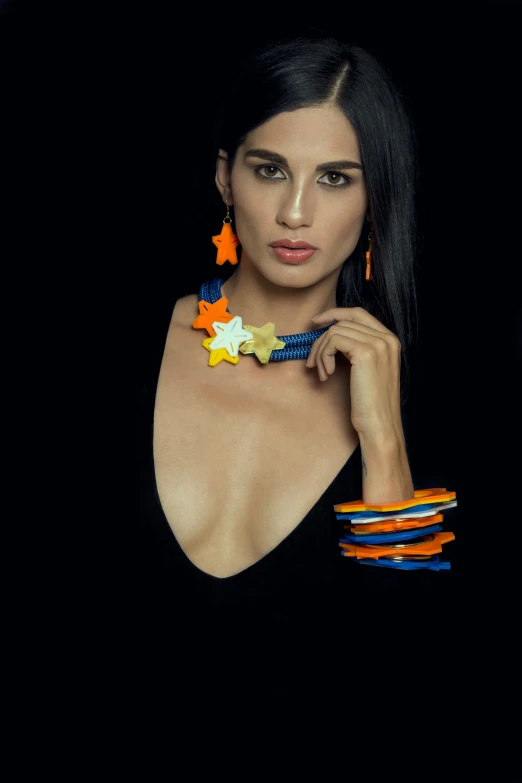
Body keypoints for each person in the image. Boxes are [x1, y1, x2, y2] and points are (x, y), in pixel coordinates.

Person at [135, 34, 456, 663]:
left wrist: (383, 439)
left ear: (374, 201)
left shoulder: (427, 400)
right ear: (226, 177)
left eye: (335, 178)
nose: (295, 213)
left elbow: (416, 667)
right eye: (271, 170)